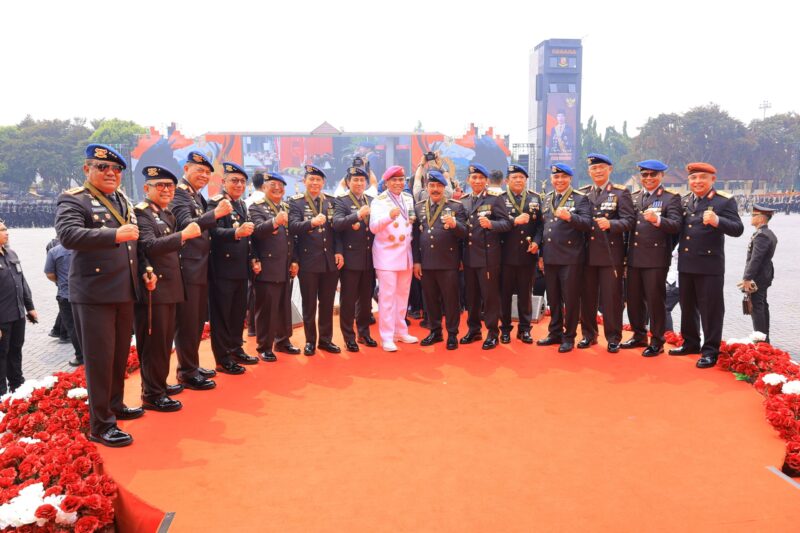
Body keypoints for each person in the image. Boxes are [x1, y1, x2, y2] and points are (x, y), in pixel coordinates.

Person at [56, 144, 142, 447]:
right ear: (87, 170)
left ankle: (114, 405)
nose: (110, 173)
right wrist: (113, 234)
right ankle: (101, 425)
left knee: (118, 356)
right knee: (99, 360)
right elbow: (67, 236)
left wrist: (143, 273)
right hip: (94, 294)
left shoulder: (121, 199)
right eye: (102, 167)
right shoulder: (74, 200)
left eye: (116, 169)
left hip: (123, 290)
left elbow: (133, 247)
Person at [134, 165, 203, 412]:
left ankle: (159, 385)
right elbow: (149, 246)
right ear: (146, 188)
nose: (166, 190)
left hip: (171, 286)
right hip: (155, 288)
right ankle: (152, 394)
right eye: (160, 185)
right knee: (154, 344)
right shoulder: (141, 214)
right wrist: (183, 236)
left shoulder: (166, 214)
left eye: (170, 186)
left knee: (164, 342)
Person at [669, 162, 744, 368]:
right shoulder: (685, 201)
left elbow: (738, 228)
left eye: (702, 177)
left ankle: (710, 350)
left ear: (712, 180)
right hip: (686, 265)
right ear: (689, 181)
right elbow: (676, 233)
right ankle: (691, 343)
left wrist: (718, 220)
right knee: (688, 307)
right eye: (693, 178)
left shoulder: (723, 202)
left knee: (710, 310)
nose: (697, 181)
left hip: (709, 267)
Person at [169, 151, 223, 391]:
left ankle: (192, 364)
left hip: (200, 266)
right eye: (199, 170)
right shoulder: (179, 194)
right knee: (188, 321)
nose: (204, 175)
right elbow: (185, 224)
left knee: (197, 320)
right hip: (187, 266)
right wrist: (215, 215)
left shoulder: (196, 196)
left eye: (207, 173)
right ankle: (186, 371)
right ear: (186, 169)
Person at [622, 160, 683, 357]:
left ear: (661, 176)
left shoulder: (670, 198)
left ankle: (657, 340)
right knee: (633, 299)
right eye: (645, 175)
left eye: (653, 175)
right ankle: (639, 335)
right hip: (633, 257)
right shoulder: (633, 197)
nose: (648, 178)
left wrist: (657, 220)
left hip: (656, 258)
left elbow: (676, 226)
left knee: (655, 301)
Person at [578, 153, 635, 353]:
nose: (598, 171)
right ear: (589, 172)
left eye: (602, 167)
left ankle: (613, 337)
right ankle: (588, 334)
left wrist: (611, 224)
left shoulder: (621, 193)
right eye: (594, 168)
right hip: (586, 255)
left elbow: (630, 221)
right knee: (587, 297)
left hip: (611, 254)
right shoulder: (583, 193)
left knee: (612, 298)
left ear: (610, 169)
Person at [207, 162, 259, 374]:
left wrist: (253, 257)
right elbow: (212, 233)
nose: (239, 185)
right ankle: (223, 358)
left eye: (242, 182)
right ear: (223, 182)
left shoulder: (241, 204)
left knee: (238, 313)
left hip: (240, 268)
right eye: (234, 180)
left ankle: (236, 348)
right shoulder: (216, 204)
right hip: (223, 269)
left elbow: (249, 237)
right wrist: (235, 234)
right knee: (222, 316)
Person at [536, 164, 592, 352]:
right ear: (551, 179)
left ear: (570, 179)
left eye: (563, 177)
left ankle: (569, 337)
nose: (559, 180)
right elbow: (544, 229)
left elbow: (587, 224)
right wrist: (541, 254)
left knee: (570, 298)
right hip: (550, 257)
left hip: (571, 258)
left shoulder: (580, 198)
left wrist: (570, 217)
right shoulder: (547, 199)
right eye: (556, 177)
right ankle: (555, 332)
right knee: (553, 297)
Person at [289, 165, 342, 356]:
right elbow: (292, 228)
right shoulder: (296, 203)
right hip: (308, 261)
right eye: (311, 179)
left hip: (329, 261)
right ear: (304, 182)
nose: (314, 183)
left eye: (318, 180)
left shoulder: (331, 202)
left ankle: (326, 340)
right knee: (309, 304)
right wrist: (311, 223)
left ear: (323, 183)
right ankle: (310, 341)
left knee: (327, 303)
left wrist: (339, 251)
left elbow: (337, 232)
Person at [459, 163, 512, 350]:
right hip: (469, 257)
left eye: (481, 178)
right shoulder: (463, 201)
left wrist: (491, 225)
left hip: (488, 257)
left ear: (487, 181)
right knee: (471, 297)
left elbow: (507, 223)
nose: (477, 181)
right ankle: (473, 330)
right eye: (474, 178)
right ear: (468, 180)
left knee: (489, 297)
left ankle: (492, 333)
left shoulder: (495, 199)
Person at [249, 172, 301, 361]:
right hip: (267, 265)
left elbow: (293, 238)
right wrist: (274, 221)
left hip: (285, 265)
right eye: (273, 184)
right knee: (267, 309)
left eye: (280, 185)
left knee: (283, 306)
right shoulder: (256, 208)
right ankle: (264, 346)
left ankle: (283, 341)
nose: (277, 188)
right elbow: (256, 233)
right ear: (264, 187)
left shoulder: (286, 207)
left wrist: (295, 260)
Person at [412, 170, 467, 350]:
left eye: (438, 186)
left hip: (448, 262)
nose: (435, 189)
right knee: (430, 300)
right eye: (431, 185)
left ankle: (452, 334)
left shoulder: (456, 207)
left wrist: (455, 225)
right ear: (427, 187)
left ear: (444, 188)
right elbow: (415, 237)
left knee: (451, 300)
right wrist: (417, 261)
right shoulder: (419, 207)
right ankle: (435, 332)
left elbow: (465, 233)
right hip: (426, 262)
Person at [370, 165, 418, 352]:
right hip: (387, 253)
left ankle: (400, 330)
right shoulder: (379, 201)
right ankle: (387, 336)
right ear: (387, 182)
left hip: (405, 252)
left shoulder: (407, 198)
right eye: (394, 180)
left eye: (401, 180)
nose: (398, 183)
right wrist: (389, 217)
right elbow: (373, 227)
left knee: (402, 295)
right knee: (387, 297)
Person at [333, 167, 377, 352]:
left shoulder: (373, 201)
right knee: (349, 299)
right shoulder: (341, 202)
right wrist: (356, 215)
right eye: (355, 180)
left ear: (366, 183)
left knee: (366, 299)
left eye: (362, 180)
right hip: (350, 258)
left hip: (369, 257)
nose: (359, 183)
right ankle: (348, 337)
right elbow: (336, 225)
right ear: (348, 182)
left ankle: (364, 333)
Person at [499, 164, 543, 344]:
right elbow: (496, 223)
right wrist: (513, 221)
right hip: (504, 255)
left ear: (526, 180)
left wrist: (537, 243)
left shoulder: (535, 198)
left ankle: (524, 329)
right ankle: (505, 329)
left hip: (527, 255)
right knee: (504, 295)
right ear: (506, 181)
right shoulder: (499, 199)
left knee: (526, 294)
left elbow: (541, 225)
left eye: (521, 177)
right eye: (514, 177)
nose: (518, 180)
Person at [0, 220, 36, 395]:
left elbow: (21, 281)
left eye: (6, 229)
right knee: (1, 355)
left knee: (16, 349)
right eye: (2, 230)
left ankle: (17, 386)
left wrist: (29, 307)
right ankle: (1, 393)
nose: (7, 232)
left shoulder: (11, 253)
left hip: (17, 313)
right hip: (2, 318)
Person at [739, 204, 778, 343]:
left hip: (758, 276)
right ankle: (764, 338)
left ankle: (760, 340)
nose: (751, 217)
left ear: (761, 218)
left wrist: (747, 278)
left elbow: (756, 259)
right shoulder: (768, 233)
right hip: (765, 274)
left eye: (753, 215)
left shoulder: (761, 236)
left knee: (756, 307)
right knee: (762, 304)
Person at [44, 238, 82, 366]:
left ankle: (80, 356)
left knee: (72, 327)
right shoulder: (84, 247)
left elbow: (49, 274)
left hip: (65, 294)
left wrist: (60, 281)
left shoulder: (54, 251)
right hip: (85, 294)